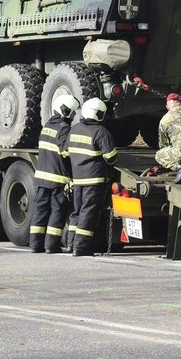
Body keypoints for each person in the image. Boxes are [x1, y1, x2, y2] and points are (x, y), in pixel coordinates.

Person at [65, 97, 118, 257]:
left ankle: (70, 244)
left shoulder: (74, 129)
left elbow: (66, 153)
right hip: (93, 180)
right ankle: (81, 248)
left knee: (77, 211)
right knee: (88, 212)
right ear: (99, 114)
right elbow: (110, 157)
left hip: (78, 179)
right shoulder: (100, 131)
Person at [29, 94, 79, 254]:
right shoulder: (64, 128)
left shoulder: (47, 126)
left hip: (42, 177)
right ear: (65, 110)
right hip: (57, 179)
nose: (74, 115)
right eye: (72, 112)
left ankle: (35, 245)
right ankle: (51, 245)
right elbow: (65, 152)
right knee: (57, 211)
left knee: (40, 211)